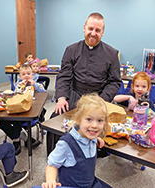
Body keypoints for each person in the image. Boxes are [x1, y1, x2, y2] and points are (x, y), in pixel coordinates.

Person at [47, 12, 122, 155]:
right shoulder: (71, 50)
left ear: (102, 32)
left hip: (98, 98)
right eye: (90, 29)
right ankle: (53, 161)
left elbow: (114, 81)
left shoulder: (112, 54)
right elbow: (64, 76)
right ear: (84, 28)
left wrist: (103, 98)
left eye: (97, 30)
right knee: (54, 120)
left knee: (101, 127)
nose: (93, 33)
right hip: (74, 96)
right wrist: (62, 98)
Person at [42, 93, 112, 188]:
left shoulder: (90, 135)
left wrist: (96, 138)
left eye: (99, 120)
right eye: (89, 119)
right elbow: (52, 165)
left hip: (90, 183)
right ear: (78, 120)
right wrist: (51, 181)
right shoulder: (66, 144)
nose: (95, 125)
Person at [0, 65, 46, 155]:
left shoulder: (36, 83)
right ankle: (23, 138)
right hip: (20, 107)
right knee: (2, 119)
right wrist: (21, 87)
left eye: (28, 74)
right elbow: (16, 94)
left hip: (33, 108)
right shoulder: (18, 84)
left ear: (32, 75)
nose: (26, 76)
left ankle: (17, 140)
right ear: (20, 76)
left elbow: (44, 93)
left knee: (18, 119)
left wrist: (34, 85)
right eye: (23, 74)